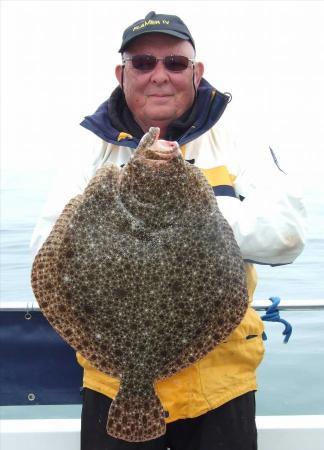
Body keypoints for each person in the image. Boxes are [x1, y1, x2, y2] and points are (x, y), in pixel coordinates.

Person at [30, 11, 306, 450]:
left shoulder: (238, 137)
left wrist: (194, 212)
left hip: (220, 383)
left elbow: (287, 236)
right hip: (112, 381)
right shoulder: (89, 151)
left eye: (175, 63)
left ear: (197, 73)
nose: (159, 75)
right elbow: (46, 251)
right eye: (143, 63)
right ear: (123, 74)